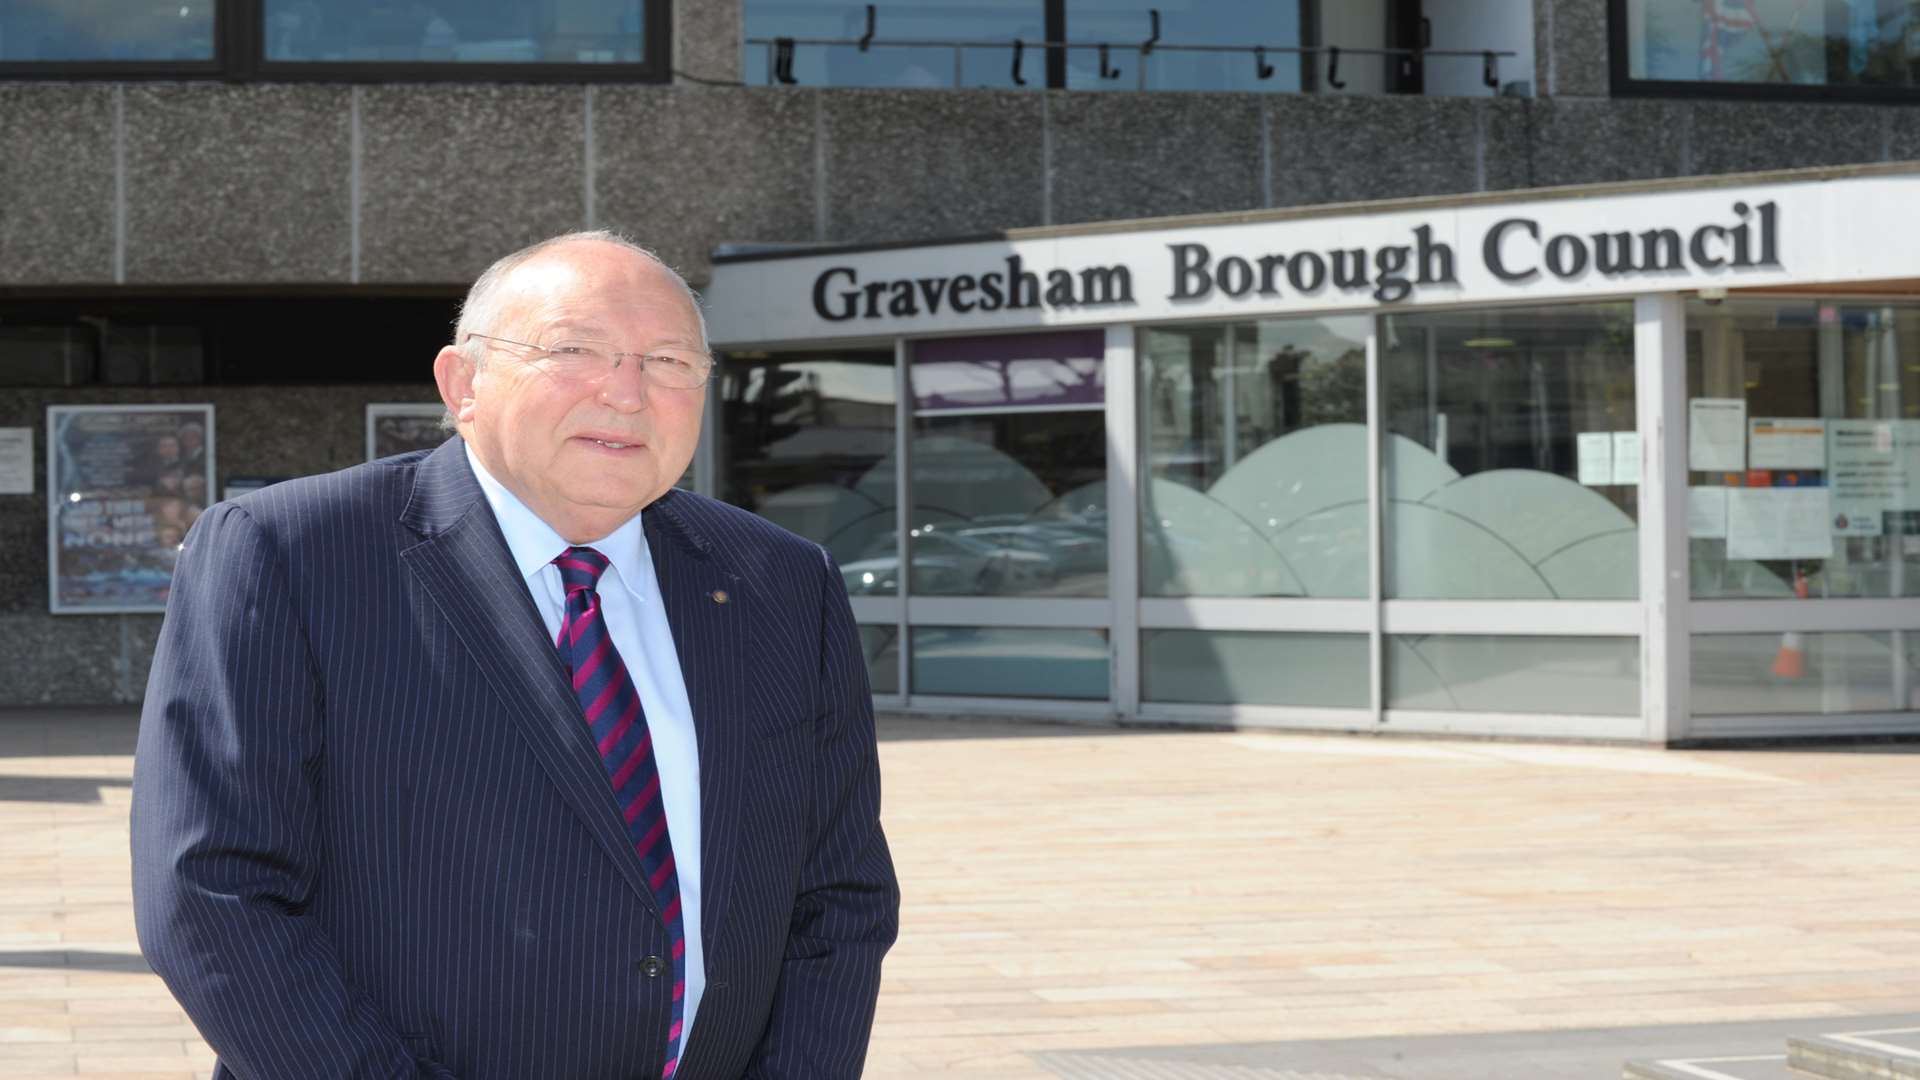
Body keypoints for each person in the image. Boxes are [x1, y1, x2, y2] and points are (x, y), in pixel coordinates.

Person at [132, 232, 900, 1080]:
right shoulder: (291, 555)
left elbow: (838, 899)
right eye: (574, 350)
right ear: (462, 383)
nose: (628, 393)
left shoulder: (782, 582)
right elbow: (211, 891)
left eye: (671, 361)